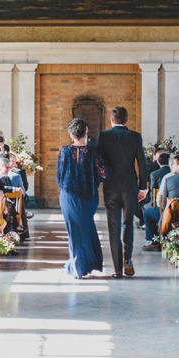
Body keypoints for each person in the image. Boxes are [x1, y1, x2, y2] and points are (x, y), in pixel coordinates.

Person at [96, 106, 149, 278]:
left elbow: (99, 162)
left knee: (113, 228)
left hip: (111, 187)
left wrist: (98, 183)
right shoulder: (135, 136)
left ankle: (117, 269)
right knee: (127, 224)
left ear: (111, 120)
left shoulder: (104, 136)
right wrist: (143, 187)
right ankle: (127, 259)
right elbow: (142, 163)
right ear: (127, 120)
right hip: (130, 186)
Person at [57, 118, 110, 279]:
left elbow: (59, 176)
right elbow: (105, 173)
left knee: (73, 230)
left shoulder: (64, 151)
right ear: (86, 132)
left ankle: (78, 266)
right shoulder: (93, 152)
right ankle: (85, 264)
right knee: (85, 227)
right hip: (88, 195)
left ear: (71, 134)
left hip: (68, 196)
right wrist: (93, 181)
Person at [142, 154, 179, 250]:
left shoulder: (169, 179)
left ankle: (155, 241)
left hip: (171, 214)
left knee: (147, 212)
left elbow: (162, 202)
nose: (171, 166)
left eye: (173, 164)